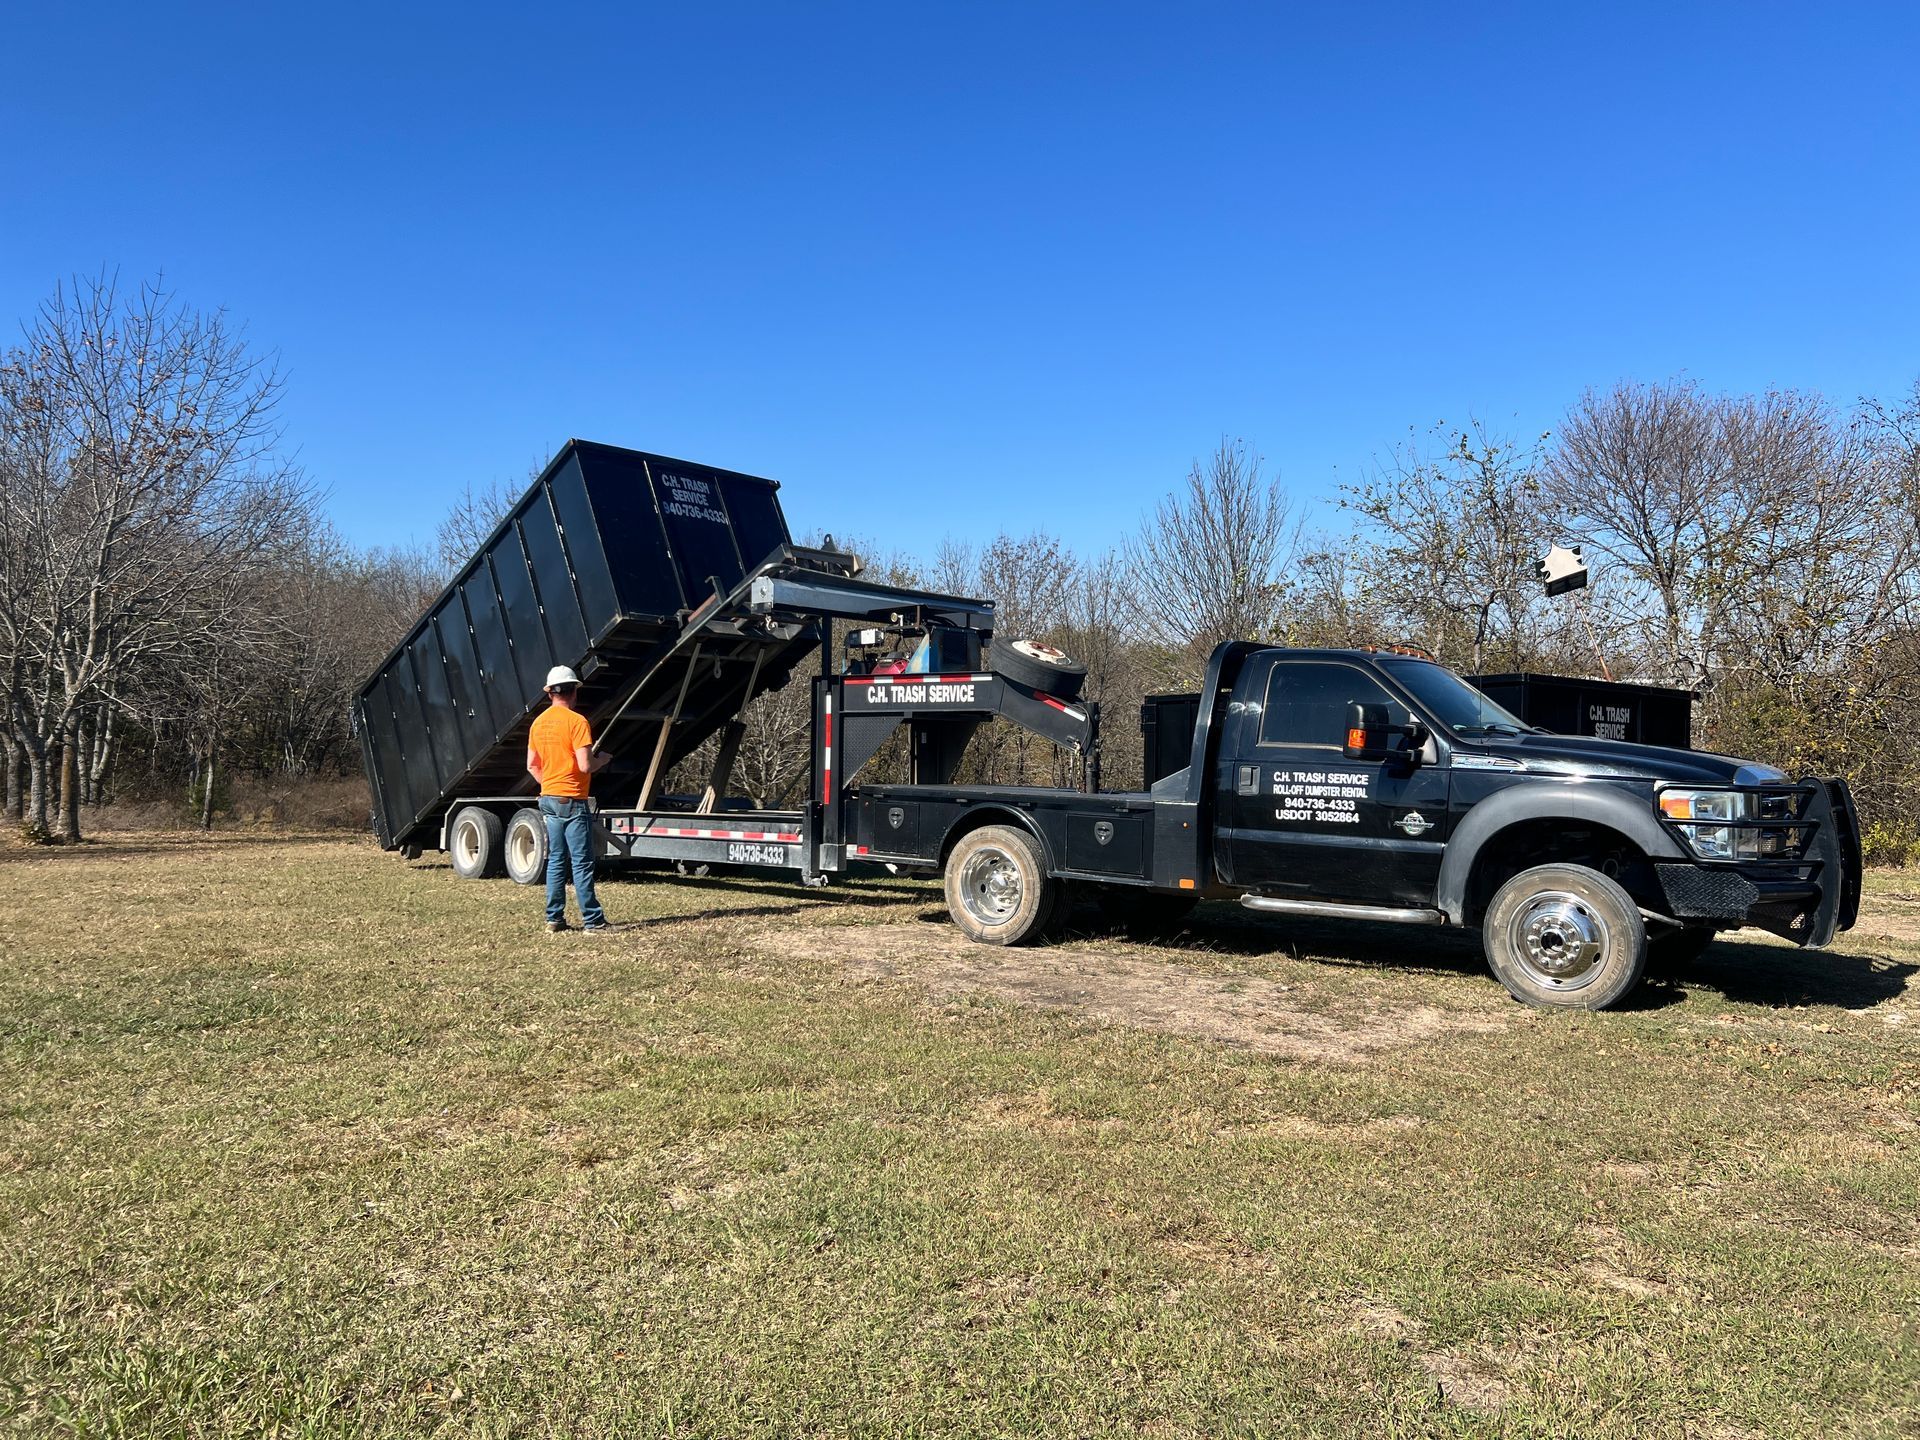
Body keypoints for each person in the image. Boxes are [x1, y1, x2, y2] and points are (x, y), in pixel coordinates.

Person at [526, 666, 613, 933]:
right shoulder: (577, 722)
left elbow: (531, 765)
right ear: (574, 691)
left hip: (548, 798)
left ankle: (554, 918)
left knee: (555, 860)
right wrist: (604, 760)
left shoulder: (538, 723)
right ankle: (593, 921)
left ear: (550, 692)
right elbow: (585, 765)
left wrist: (551, 784)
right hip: (573, 799)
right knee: (582, 861)